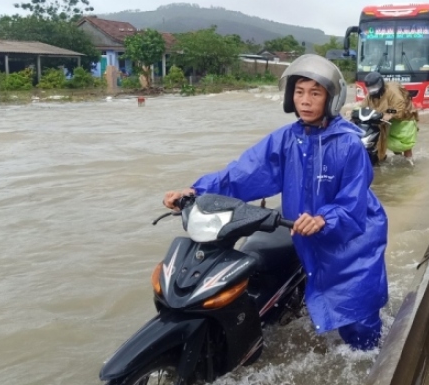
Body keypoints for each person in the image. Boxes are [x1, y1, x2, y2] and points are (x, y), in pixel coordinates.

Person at [163, 54, 389, 351]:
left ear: (331, 98)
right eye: (299, 92)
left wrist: (324, 218)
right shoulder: (285, 140)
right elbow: (242, 172)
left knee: (359, 320)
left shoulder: (348, 144)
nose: (305, 101)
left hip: (353, 239)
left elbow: (352, 200)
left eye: (315, 93)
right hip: (304, 231)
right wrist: (195, 191)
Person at [359, 71, 419, 163]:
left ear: (380, 84)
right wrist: (354, 112)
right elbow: (363, 107)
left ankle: (409, 162)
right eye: (370, 88)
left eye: (374, 87)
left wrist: (389, 113)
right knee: (386, 143)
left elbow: (399, 109)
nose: (372, 90)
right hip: (385, 117)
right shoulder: (370, 96)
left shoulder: (392, 92)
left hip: (404, 117)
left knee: (404, 145)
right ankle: (393, 159)